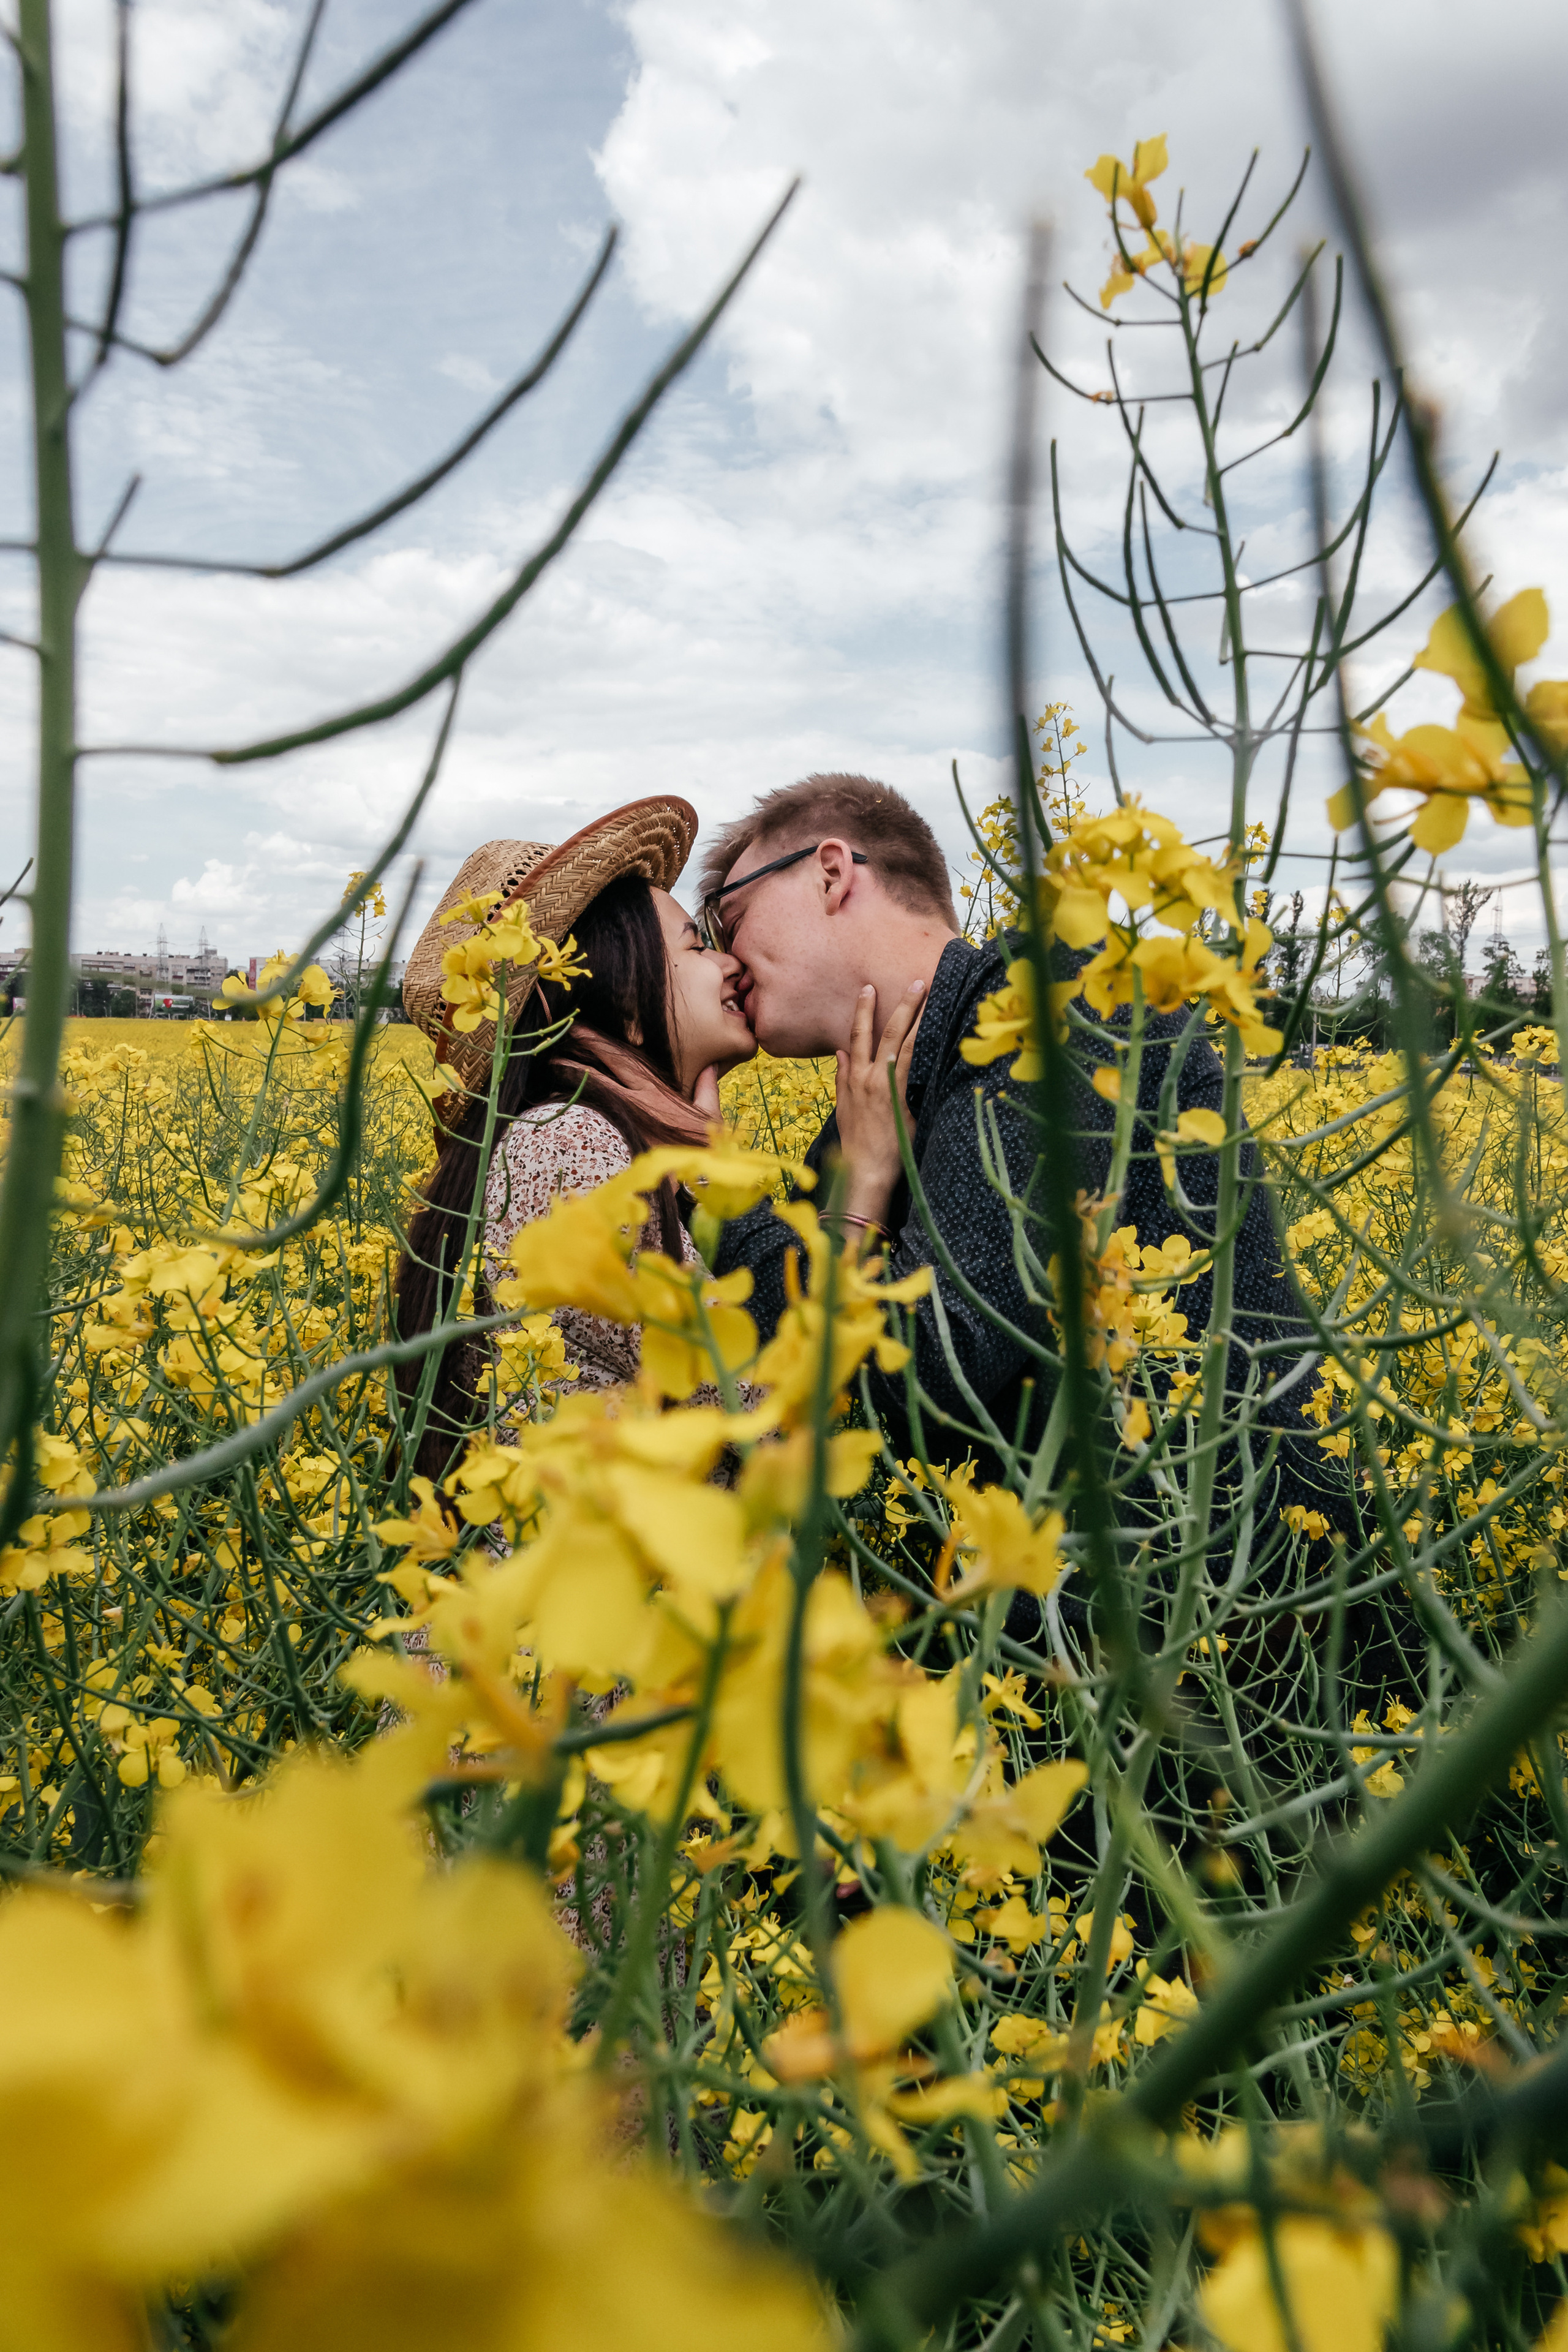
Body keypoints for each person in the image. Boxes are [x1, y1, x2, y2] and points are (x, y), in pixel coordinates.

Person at [699, 772, 1341, 1534]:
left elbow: (932, 1371)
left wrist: (720, 1192)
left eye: (727, 920)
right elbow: (810, 1375)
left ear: (831, 874)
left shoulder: (1063, 995)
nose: (725, 961)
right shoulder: (858, 1123)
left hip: (1227, 1597)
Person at [396, 796, 755, 1483]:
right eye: (696, 945)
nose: (729, 962)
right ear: (625, 998)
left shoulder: (573, 1137)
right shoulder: (568, 1147)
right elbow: (764, 1397)